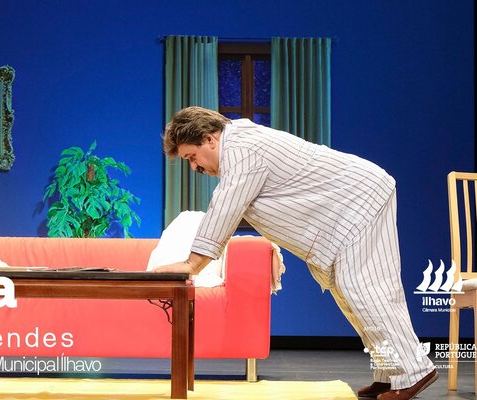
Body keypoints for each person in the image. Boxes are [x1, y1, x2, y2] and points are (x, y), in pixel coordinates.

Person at [155, 106, 437, 400]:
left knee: (365, 288)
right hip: (349, 208)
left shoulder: (242, 148)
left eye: (192, 157)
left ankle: (413, 371)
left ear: (209, 139)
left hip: (359, 201)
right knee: (352, 293)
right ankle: (392, 373)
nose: (195, 167)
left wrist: (192, 263)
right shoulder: (238, 145)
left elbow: (224, 207)